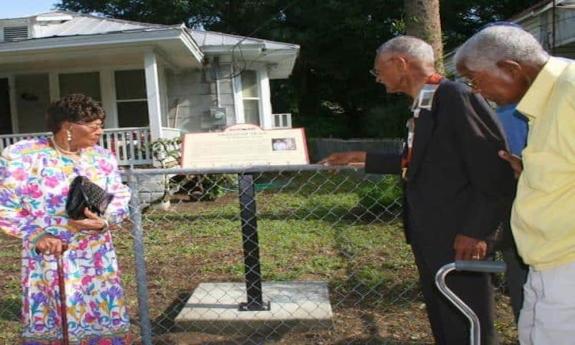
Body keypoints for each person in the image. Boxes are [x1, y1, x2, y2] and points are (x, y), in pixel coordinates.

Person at [321, 36, 515, 345]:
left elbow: (493, 170)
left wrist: (478, 230)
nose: (377, 78)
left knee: (468, 318)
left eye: (378, 70)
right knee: (444, 316)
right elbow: (426, 161)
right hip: (431, 231)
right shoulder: (427, 101)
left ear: (400, 63)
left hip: (461, 233)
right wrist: (363, 158)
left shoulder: (455, 97)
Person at [455, 25, 575, 345]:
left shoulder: (571, 92)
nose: (476, 92)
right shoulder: (546, 100)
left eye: (476, 80)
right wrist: (529, 172)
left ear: (510, 69)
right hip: (546, 262)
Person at [0, 94, 132, 344]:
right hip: (50, 258)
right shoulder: (23, 156)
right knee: (56, 322)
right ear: (69, 127)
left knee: (100, 319)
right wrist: (38, 235)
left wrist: (106, 220)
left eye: (100, 125)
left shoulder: (102, 158)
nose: (100, 131)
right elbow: (5, 207)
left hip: (96, 259)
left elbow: (120, 196)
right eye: (94, 126)